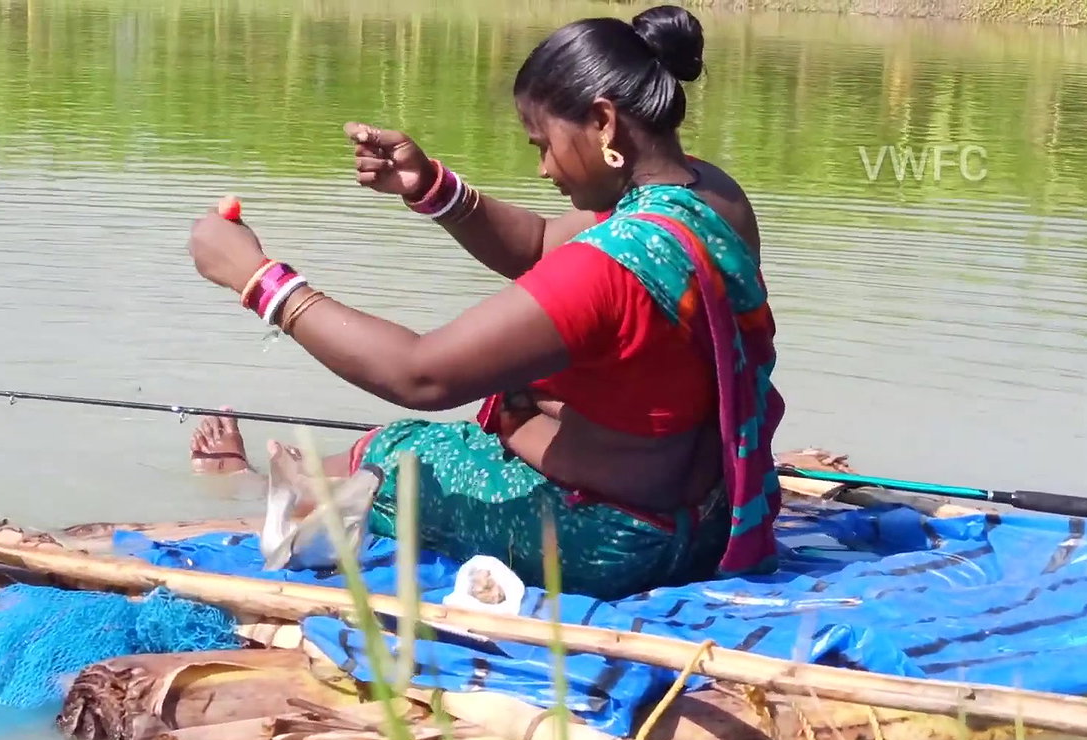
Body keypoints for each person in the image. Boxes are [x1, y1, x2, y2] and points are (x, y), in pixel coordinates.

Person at [185, 4, 785, 601]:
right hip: (711, 522)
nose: (545, 168)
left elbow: (421, 374)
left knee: (397, 453)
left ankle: (248, 486)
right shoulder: (710, 198)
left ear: (603, 123)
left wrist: (258, 280)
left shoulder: (609, 265)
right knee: (495, 424)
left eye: (544, 144)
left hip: (613, 546)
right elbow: (542, 243)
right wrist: (431, 188)